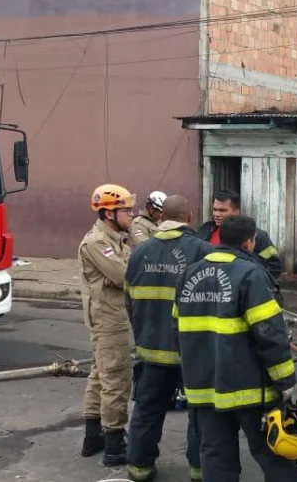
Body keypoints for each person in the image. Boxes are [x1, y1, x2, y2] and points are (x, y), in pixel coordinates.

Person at [173, 215, 297, 482]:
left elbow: (177, 330)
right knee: (273, 452)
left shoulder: (189, 274)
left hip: (204, 387)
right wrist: (285, 382)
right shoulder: (251, 275)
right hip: (249, 391)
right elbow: (270, 335)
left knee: (216, 455)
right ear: (249, 242)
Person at [125, 195, 214, 482]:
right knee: (199, 413)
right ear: (189, 218)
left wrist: (143, 334)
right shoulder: (202, 251)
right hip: (192, 353)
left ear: (161, 218)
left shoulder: (140, 252)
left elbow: (129, 300)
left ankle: (140, 468)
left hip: (151, 349)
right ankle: (198, 470)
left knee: (147, 410)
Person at [78, 184, 136, 466]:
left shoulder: (116, 239)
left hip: (109, 315)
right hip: (108, 318)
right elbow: (124, 275)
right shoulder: (97, 243)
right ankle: (114, 444)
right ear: (108, 213)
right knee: (116, 379)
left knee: (100, 376)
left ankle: (93, 437)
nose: (131, 214)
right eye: (126, 210)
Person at [196, 189, 282, 279]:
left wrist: (254, 283)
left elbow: (274, 266)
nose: (217, 214)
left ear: (236, 212)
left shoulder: (256, 235)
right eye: (215, 210)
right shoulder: (205, 230)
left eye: (222, 210)